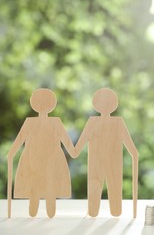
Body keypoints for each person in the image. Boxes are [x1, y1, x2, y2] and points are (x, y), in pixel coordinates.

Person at [8, 88, 76, 218]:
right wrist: (74, 152)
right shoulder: (52, 122)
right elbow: (67, 143)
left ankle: (39, 211)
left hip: (40, 158)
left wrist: (11, 153)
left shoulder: (33, 122)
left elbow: (18, 141)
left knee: (40, 185)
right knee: (44, 184)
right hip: (43, 158)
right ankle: (42, 211)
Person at [74, 88, 138, 217]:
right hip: (105, 164)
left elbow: (79, 146)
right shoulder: (114, 122)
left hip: (103, 164)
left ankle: (103, 212)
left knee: (107, 191)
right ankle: (103, 212)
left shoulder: (98, 122)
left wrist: (73, 151)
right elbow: (131, 147)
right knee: (107, 191)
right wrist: (134, 154)